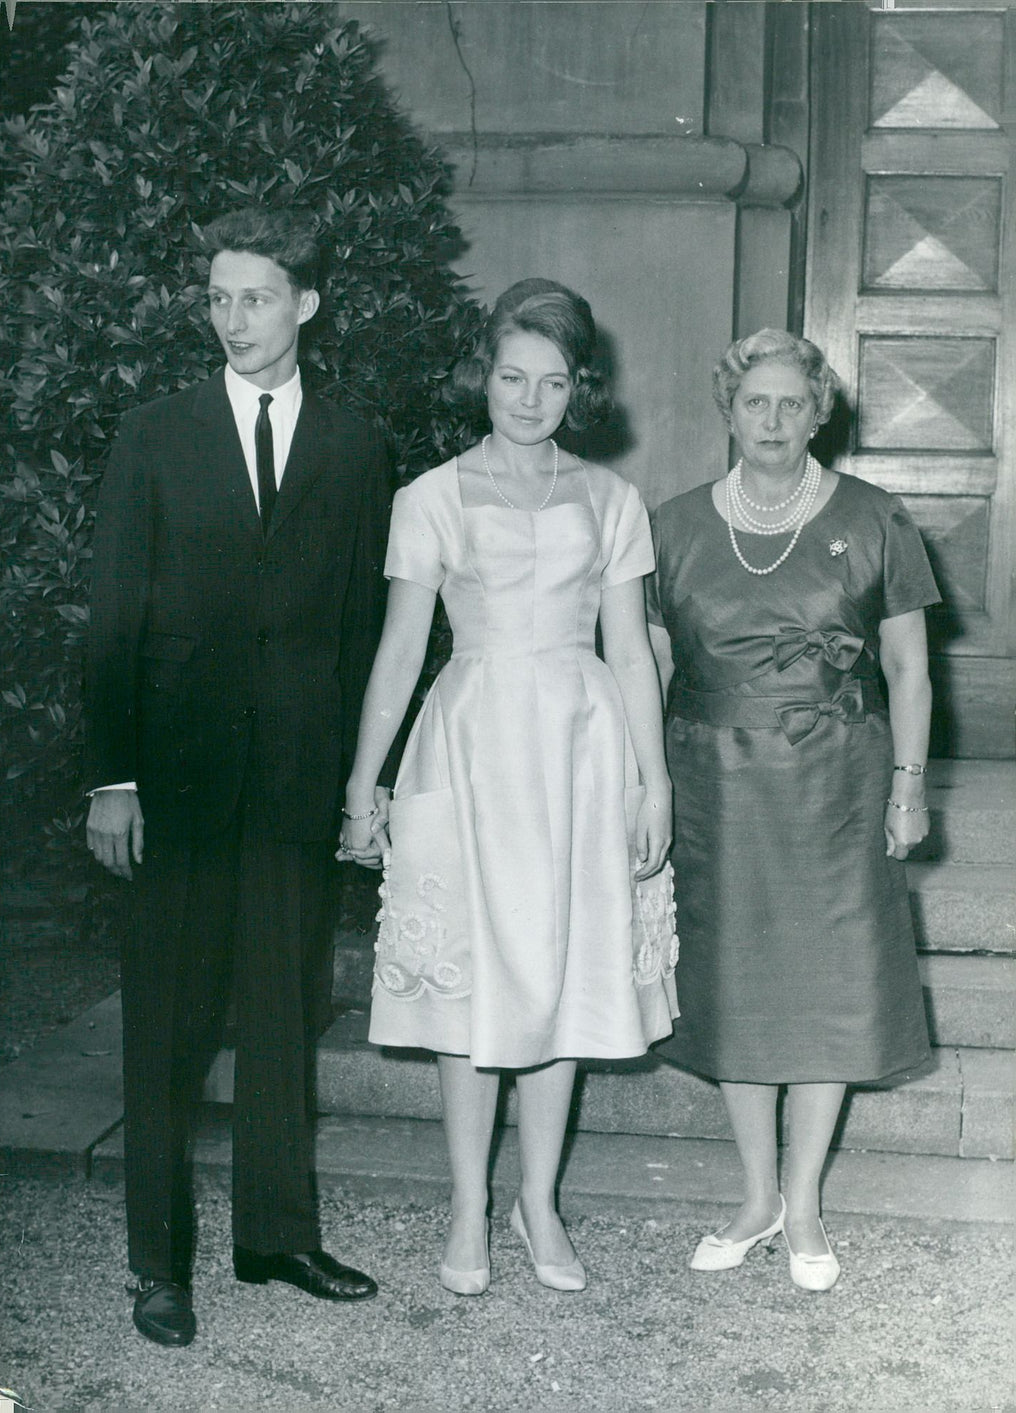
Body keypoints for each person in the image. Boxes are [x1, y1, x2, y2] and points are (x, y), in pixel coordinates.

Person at [85, 207, 391, 1347]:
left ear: (305, 304)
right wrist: (113, 778)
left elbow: (363, 627)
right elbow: (114, 617)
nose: (233, 318)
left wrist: (361, 782)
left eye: (255, 297)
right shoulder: (154, 434)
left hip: (297, 779)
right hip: (176, 778)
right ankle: (159, 1264)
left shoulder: (356, 444)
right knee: (165, 1026)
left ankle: (275, 1236)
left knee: (280, 1010)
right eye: (218, 298)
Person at [339, 279, 679, 1296]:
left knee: (565, 971)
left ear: (580, 389)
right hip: (471, 748)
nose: (530, 400)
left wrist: (652, 781)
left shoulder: (612, 500)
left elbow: (630, 649)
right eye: (512, 377)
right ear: (481, 377)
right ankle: (466, 1205)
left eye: (553, 382)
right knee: (474, 982)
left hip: (582, 751)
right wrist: (363, 782)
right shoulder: (430, 497)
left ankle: (539, 1202)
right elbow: (401, 651)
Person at [648, 328, 939, 1291]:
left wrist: (908, 785)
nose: (772, 420)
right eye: (754, 403)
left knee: (827, 982)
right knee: (733, 984)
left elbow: (908, 665)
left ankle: (806, 1201)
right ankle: (757, 1195)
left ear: (820, 413)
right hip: (715, 782)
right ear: (728, 411)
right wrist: (640, 784)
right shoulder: (674, 524)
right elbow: (649, 667)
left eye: (791, 403)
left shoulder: (876, 516)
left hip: (839, 782)